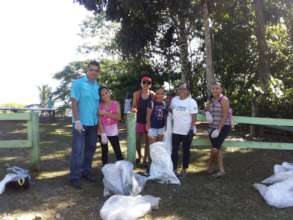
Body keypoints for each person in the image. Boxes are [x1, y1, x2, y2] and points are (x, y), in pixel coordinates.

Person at [69, 60, 100, 190]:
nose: (94, 72)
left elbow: (97, 106)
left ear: (98, 73)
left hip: (93, 123)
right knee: (78, 150)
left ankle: (86, 172)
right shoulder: (78, 83)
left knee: (91, 148)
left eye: (96, 70)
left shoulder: (97, 86)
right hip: (80, 123)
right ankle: (74, 177)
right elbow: (74, 102)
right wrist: (77, 120)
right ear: (87, 70)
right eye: (91, 69)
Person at [170, 82, 198, 178]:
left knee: (186, 151)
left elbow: (194, 117)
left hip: (186, 131)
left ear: (188, 91)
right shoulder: (174, 100)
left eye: (184, 89)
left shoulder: (192, 102)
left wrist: (191, 129)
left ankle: (184, 169)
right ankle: (173, 169)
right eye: (180, 88)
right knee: (174, 151)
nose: (181, 90)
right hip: (175, 130)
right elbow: (170, 111)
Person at [206, 81, 232, 178]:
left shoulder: (224, 99)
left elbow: (225, 115)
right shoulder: (211, 100)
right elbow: (206, 109)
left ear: (221, 89)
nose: (215, 90)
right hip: (212, 127)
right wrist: (207, 113)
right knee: (218, 148)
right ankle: (221, 170)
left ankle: (210, 165)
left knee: (215, 149)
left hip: (223, 126)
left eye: (217, 88)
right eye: (213, 88)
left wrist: (218, 129)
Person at [131, 74, 154, 166]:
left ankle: (145, 159)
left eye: (148, 82)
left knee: (148, 142)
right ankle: (139, 156)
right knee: (137, 141)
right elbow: (134, 106)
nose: (146, 84)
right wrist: (134, 109)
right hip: (139, 121)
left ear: (150, 84)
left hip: (149, 121)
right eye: (144, 82)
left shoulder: (153, 95)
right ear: (141, 84)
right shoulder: (136, 94)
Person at [98, 86, 123, 165]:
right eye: (102, 95)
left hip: (113, 131)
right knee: (104, 151)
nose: (105, 95)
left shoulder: (116, 103)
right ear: (100, 97)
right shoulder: (99, 105)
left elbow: (118, 117)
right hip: (102, 131)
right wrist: (102, 133)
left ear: (109, 93)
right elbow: (98, 119)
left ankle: (122, 169)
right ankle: (105, 170)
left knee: (117, 151)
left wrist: (106, 113)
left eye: (106, 93)